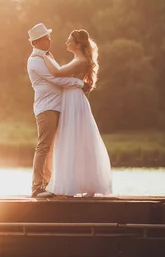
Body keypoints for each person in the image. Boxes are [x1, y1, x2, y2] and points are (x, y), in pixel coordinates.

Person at [37, 29, 112, 197]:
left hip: (74, 101)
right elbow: (61, 73)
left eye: (69, 41)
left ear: (77, 45)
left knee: (76, 139)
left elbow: (56, 73)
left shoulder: (81, 61)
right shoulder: (77, 60)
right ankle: (77, 184)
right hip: (70, 99)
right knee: (71, 139)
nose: (66, 43)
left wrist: (44, 57)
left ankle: (86, 186)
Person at [26, 23, 85, 198]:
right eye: (46, 38)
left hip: (55, 106)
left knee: (51, 147)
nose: (49, 39)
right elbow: (56, 79)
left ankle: (47, 183)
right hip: (47, 107)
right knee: (44, 146)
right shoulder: (35, 60)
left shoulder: (46, 56)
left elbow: (59, 75)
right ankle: (37, 186)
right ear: (37, 42)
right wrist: (79, 83)